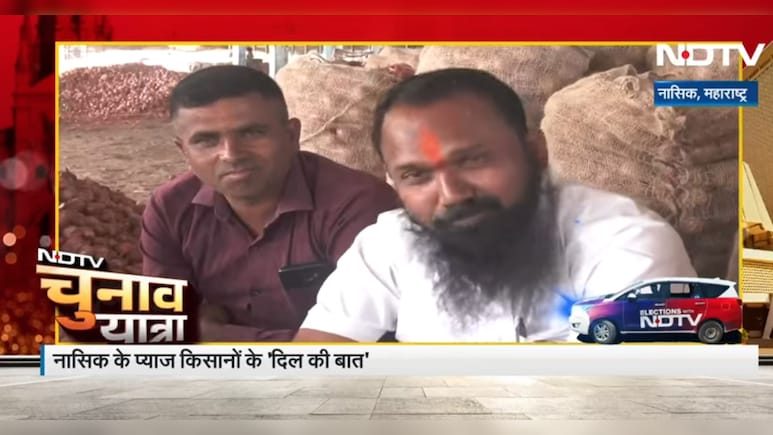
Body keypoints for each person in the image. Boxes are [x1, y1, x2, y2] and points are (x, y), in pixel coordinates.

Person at [294, 68, 698, 343]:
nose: (452, 194)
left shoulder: (626, 242)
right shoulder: (389, 242)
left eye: (473, 161)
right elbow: (317, 362)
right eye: (416, 176)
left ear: (536, 152)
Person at [140, 65, 399, 342]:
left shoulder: (358, 205)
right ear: (184, 151)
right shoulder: (170, 209)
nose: (231, 154)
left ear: (291, 136)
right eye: (206, 140)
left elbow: (364, 344)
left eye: (251, 133)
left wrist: (215, 336)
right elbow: (163, 324)